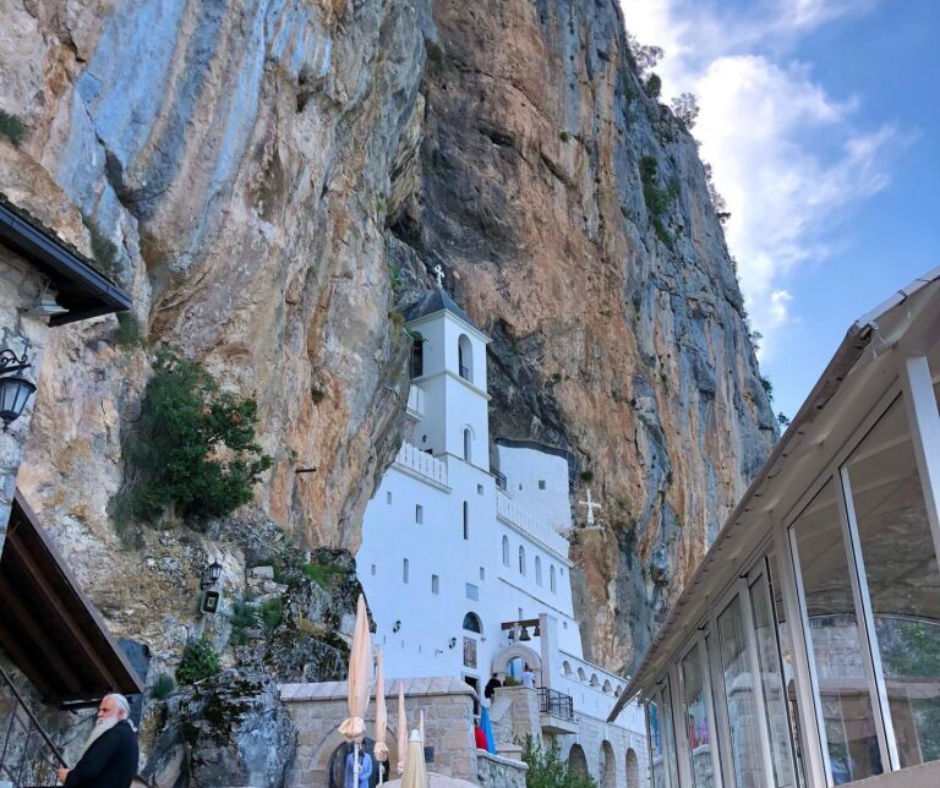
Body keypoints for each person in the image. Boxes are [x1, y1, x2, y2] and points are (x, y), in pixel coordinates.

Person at [57, 693, 139, 788]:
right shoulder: (129, 736)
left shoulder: (115, 734)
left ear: (121, 714)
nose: (99, 714)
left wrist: (69, 777)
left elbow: (90, 768)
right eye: (99, 710)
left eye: (105, 710)